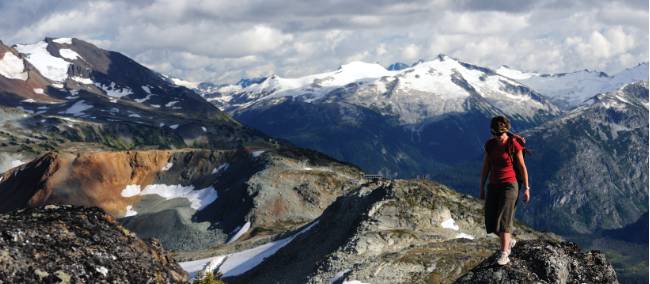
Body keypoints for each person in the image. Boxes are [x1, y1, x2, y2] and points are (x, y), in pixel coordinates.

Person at [479, 116, 530, 266]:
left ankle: (504, 253)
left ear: (506, 131)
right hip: (494, 185)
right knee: (491, 223)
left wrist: (526, 188)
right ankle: (508, 240)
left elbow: (522, 167)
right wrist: (482, 187)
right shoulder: (490, 145)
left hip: (510, 185)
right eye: (495, 134)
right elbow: (486, 167)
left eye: (500, 134)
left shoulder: (513, 143)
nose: (498, 137)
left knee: (503, 221)